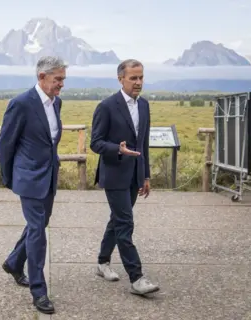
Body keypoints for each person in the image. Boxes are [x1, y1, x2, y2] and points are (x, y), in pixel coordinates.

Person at [0, 56, 67, 314]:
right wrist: (9, 177)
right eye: (57, 79)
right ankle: (39, 291)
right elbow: (5, 144)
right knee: (38, 230)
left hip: (49, 176)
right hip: (28, 177)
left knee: (39, 224)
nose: (61, 84)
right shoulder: (21, 104)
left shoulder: (57, 103)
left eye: (63, 79)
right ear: (41, 77)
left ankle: (14, 262)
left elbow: (50, 141)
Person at [89, 59, 160, 295]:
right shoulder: (107, 106)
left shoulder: (144, 106)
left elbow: (144, 144)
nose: (138, 82)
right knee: (125, 224)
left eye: (141, 77)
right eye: (133, 78)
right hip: (114, 173)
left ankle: (102, 262)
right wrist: (117, 149)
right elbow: (96, 143)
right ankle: (137, 278)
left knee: (117, 220)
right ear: (121, 78)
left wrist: (146, 176)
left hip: (134, 175)